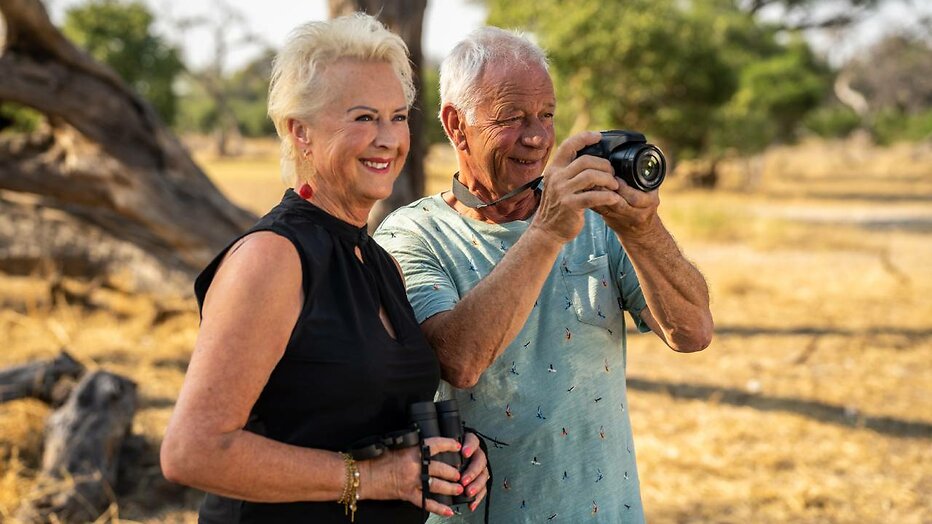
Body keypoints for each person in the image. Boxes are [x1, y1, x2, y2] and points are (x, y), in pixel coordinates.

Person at [373, 26, 713, 523]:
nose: (536, 137)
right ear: (456, 125)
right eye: (512, 117)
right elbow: (459, 361)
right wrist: (548, 230)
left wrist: (641, 227)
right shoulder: (413, 233)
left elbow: (692, 332)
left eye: (547, 115)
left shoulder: (595, 218)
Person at [159, 14, 489, 523]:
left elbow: (357, 418)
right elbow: (192, 451)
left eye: (398, 117)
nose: (388, 139)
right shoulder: (273, 258)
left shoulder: (378, 261)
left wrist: (449, 453)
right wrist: (373, 479)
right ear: (301, 132)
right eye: (364, 118)